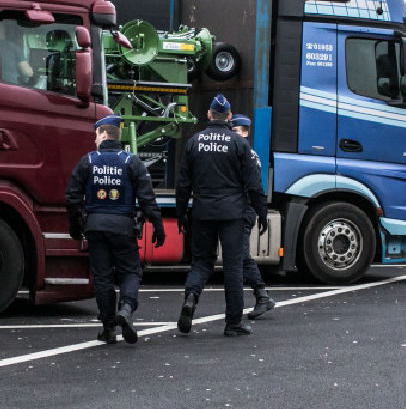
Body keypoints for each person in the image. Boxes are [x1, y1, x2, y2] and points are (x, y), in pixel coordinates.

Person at [65, 114, 166, 345]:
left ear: (103, 135)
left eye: (95, 136)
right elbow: (147, 198)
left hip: (95, 226)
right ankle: (126, 308)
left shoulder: (88, 161)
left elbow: (72, 197)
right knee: (130, 272)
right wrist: (158, 226)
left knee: (102, 277)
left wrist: (74, 226)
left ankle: (108, 328)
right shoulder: (131, 161)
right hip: (123, 227)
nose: (94, 141)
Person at [176, 95, 268, 336]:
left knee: (200, 263)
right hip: (232, 215)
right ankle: (233, 323)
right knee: (233, 267)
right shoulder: (239, 143)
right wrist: (262, 212)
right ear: (229, 116)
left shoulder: (194, 142)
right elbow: (254, 184)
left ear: (209, 114)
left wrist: (181, 213)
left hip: (203, 212)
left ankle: (191, 299)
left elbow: (183, 183)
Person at [230, 114, 276, 318]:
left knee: (241, 255)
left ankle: (262, 296)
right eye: (232, 131)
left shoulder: (249, 154)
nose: (234, 135)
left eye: (237, 131)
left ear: (246, 133)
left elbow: (255, 187)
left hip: (244, 209)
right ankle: (261, 296)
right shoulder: (236, 151)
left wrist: (261, 212)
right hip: (237, 209)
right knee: (239, 256)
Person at [0, 20, 34, 85]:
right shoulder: (11, 47)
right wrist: (31, 71)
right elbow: (26, 71)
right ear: (3, 31)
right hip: (9, 86)